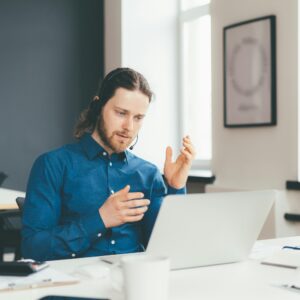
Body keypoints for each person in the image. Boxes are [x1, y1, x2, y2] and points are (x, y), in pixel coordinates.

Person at [22, 67, 196, 261]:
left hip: (134, 282)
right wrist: (100, 219)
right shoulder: (53, 165)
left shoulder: (148, 173)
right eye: (121, 113)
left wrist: (175, 188)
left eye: (138, 118)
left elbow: (169, 249)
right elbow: (33, 249)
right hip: (75, 285)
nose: (129, 127)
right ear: (98, 107)